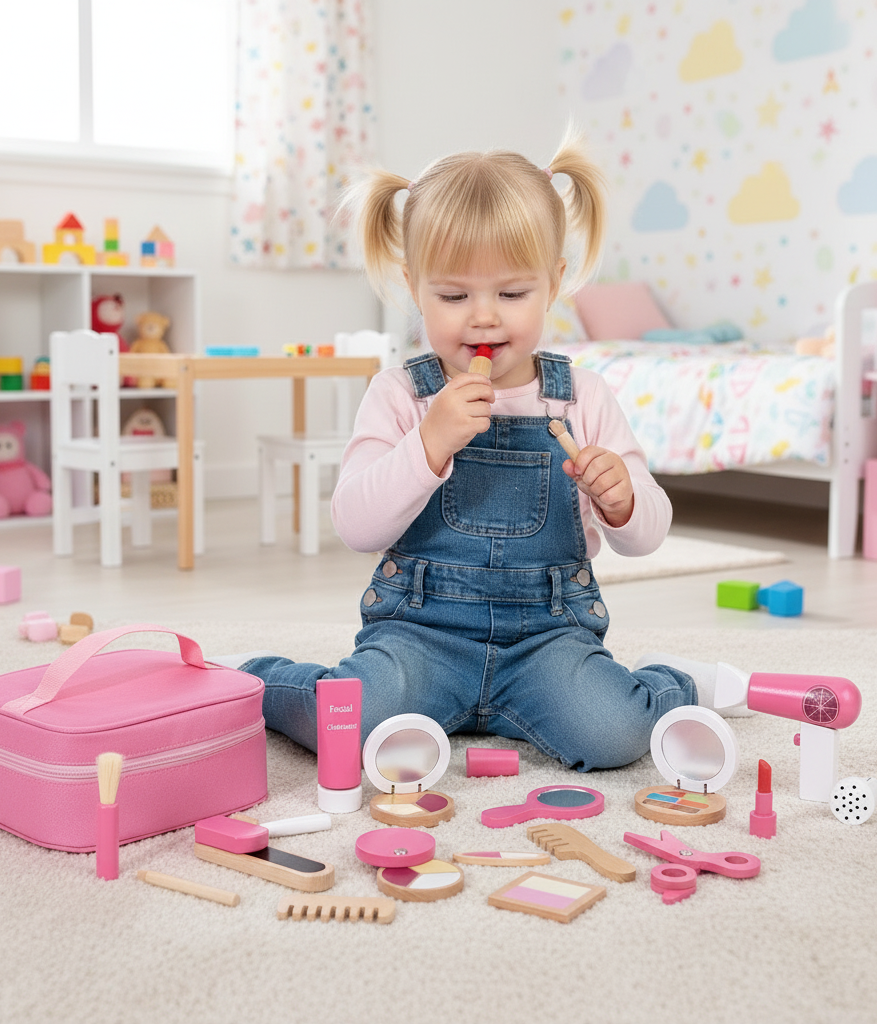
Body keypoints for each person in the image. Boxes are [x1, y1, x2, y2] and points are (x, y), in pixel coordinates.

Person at [216, 134, 742, 772]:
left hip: (548, 641)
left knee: (614, 735)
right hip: (419, 639)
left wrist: (624, 501)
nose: (484, 318)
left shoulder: (582, 397)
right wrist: (428, 444)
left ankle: (673, 684)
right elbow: (355, 525)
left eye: (512, 294)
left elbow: (647, 537)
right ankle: (252, 680)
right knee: (351, 725)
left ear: (553, 282)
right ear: (414, 287)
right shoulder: (400, 394)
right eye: (454, 296)